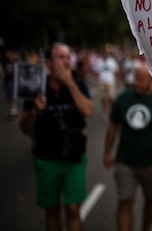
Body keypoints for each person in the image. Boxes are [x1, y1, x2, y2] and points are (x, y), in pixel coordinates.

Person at [19, 43, 94, 231]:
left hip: (73, 158)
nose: (66, 61)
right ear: (50, 62)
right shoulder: (37, 86)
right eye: (61, 57)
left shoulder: (78, 83)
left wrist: (70, 83)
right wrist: (35, 111)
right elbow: (25, 128)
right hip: (46, 158)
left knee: (73, 208)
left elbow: (88, 110)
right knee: (51, 210)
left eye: (68, 57)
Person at [103, 64, 152, 231]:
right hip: (125, 161)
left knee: (151, 202)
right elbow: (113, 126)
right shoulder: (124, 99)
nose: (135, 82)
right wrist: (107, 153)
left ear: (151, 81)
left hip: (151, 164)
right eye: (134, 77)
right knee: (125, 201)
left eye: (140, 79)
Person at [92, 49, 119, 120]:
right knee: (103, 98)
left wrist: (117, 81)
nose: (105, 55)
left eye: (106, 54)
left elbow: (116, 71)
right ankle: (105, 112)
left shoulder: (112, 61)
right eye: (103, 53)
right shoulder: (99, 61)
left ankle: (113, 110)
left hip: (110, 82)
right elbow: (95, 71)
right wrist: (96, 78)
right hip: (101, 82)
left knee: (111, 97)